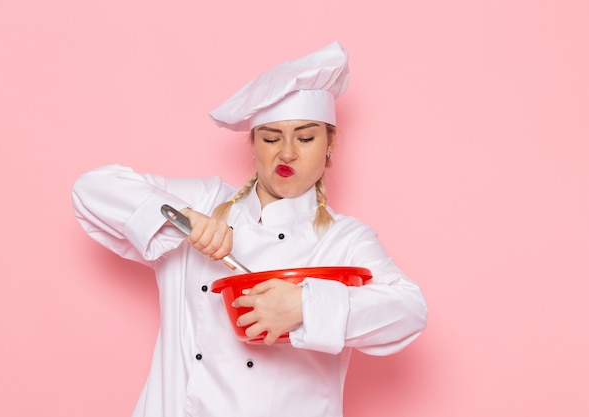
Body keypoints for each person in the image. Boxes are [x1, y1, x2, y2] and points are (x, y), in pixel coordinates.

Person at [72, 41, 427, 417]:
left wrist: (304, 306)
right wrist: (185, 219)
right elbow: (90, 189)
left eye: (305, 138)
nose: (287, 152)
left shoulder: (345, 238)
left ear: (329, 146)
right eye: (271, 138)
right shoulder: (207, 202)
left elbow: (409, 310)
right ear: (253, 146)